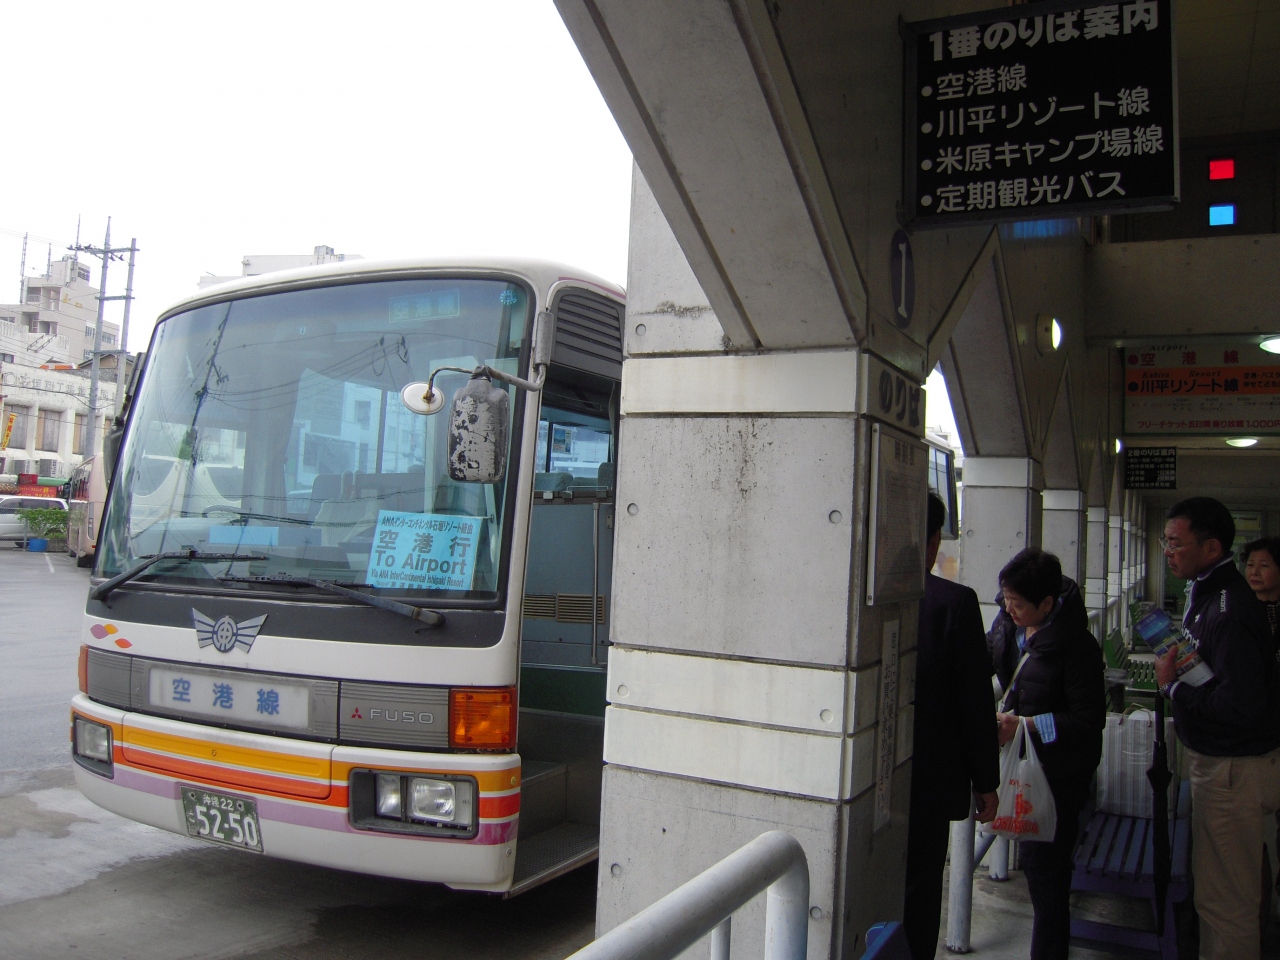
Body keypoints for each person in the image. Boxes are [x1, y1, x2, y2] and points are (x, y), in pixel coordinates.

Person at [1157, 498, 1280, 959]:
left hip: (1232, 771)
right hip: (1224, 764)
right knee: (1221, 893)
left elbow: (1240, 704)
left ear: (1211, 548)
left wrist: (1172, 689)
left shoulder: (1227, 609)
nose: (1168, 552)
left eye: (1176, 544)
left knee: (1226, 904)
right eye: (1165, 542)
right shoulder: (1209, 593)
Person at [988, 548, 1104, 960]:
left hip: (1059, 778)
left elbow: (1087, 723)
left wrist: (1026, 725)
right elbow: (987, 656)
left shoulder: (1078, 648)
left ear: (1048, 604)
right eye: (1005, 599)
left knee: (1047, 875)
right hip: (1025, 769)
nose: (1008, 609)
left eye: (1017, 604)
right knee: (1039, 869)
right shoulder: (1009, 626)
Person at [903, 494, 1001, 960]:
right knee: (920, 890)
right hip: (929, 782)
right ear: (934, 540)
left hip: (861, 780)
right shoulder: (953, 603)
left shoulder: (849, 596)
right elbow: (974, 702)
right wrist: (985, 782)